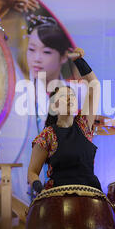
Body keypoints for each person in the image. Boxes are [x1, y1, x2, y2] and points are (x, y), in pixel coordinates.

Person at [27, 52, 101, 193]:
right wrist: (41, 190)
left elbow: (94, 86)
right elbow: (32, 171)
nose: (69, 98)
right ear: (54, 106)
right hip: (58, 198)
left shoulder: (84, 124)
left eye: (71, 95)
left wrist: (78, 60)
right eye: (63, 96)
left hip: (89, 196)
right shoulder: (48, 135)